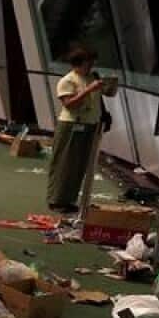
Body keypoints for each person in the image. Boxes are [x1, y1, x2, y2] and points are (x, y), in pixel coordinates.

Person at [47, 48, 104, 214]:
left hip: (89, 124)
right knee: (65, 163)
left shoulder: (91, 77)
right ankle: (56, 199)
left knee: (79, 165)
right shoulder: (67, 81)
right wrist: (88, 90)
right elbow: (69, 104)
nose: (91, 65)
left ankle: (69, 199)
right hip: (71, 125)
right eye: (88, 62)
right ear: (77, 64)